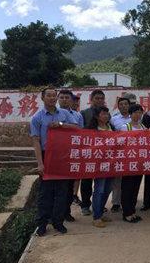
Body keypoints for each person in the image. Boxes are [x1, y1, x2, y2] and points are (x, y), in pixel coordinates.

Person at [31, 87, 77, 236]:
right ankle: (42, 223)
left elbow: (76, 127)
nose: (52, 98)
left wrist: (61, 125)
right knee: (45, 193)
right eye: (48, 95)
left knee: (62, 191)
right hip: (47, 156)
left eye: (54, 95)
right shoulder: (37, 117)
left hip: (63, 156)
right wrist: (40, 163)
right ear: (42, 98)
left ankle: (58, 222)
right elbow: (36, 141)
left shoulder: (64, 114)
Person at [57, 89, 83, 223]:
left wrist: (62, 125)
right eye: (62, 97)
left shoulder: (77, 115)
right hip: (56, 154)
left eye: (67, 98)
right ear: (58, 99)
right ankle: (54, 214)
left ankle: (66, 212)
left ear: (72, 100)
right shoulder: (53, 114)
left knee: (69, 186)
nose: (64, 100)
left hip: (72, 153)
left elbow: (80, 131)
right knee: (55, 186)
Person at [79, 89, 105, 216]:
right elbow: (80, 132)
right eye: (97, 98)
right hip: (88, 153)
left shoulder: (106, 113)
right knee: (86, 181)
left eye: (101, 98)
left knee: (101, 183)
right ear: (91, 99)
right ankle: (85, 205)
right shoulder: (84, 113)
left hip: (102, 154)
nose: (99, 100)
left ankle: (98, 206)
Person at [119, 104, 145, 223]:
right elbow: (120, 144)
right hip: (128, 162)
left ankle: (132, 211)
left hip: (139, 162)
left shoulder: (143, 127)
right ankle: (126, 213)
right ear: (130, 114)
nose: (137, 114)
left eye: (140, 112)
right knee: (127, 188)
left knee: (135, 187)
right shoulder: (125, 127)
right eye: (135, 112)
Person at [89, 106, 114, 228]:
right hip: (99, 164)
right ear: (96, 116)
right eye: (103, 113)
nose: (106, 116)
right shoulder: (91, 130)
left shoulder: (111, 127)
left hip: (111, 163)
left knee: (108, 188)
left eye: (107, 113)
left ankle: (100, 211)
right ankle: (96, 217)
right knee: (99, 189)